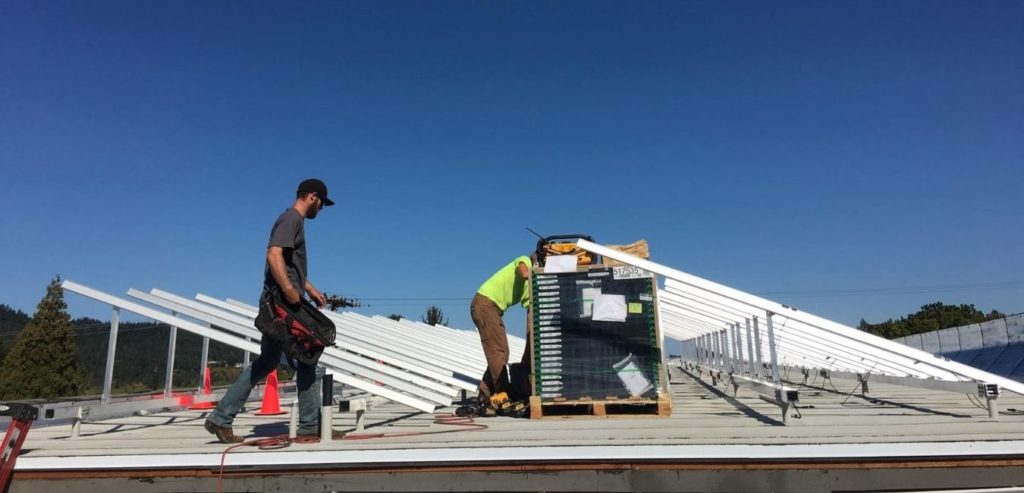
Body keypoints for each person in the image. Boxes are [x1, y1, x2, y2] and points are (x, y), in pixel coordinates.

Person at [205, 178, 336, 443]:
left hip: (281, 301)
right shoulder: (292, 220)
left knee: (268, 361)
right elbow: (274, 255)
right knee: (308, 355)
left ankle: (220, 418)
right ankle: (310, 428)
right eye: (321, 203)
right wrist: (290, 291)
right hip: (283, 304)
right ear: (312, 197)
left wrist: (308, 288)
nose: (321, 208)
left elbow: (287, 264)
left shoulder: (292, 220)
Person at [467, 253, 537, 414]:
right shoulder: (525, 261)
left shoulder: (530, 287)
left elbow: (531, 315)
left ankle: (485, 395)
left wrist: (531, 342)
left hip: (493, 309)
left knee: (501, 352)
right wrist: (536, 275)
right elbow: (524, 272)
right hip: (485, 304)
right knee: (498, 352)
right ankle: (504, 394)